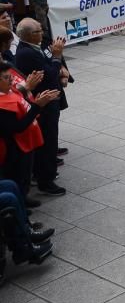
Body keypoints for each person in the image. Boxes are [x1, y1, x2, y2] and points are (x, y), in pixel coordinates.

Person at [14, 20, 67, 197]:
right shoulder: (27, 53)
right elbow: (49, 75)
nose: (42, 33)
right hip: (43, 103)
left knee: (49, 138)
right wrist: (57, 57)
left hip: (48, 100)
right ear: (29, 35)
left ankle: (45, 173)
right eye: (38, 31)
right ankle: (46, 179)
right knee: (48, 140)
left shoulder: (34, 47)